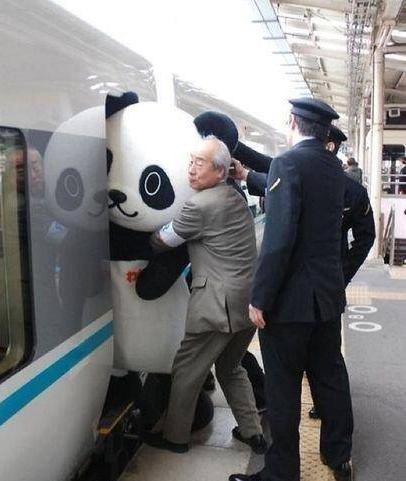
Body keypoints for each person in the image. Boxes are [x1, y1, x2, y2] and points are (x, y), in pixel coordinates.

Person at [230, 98, 353, 481]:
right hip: (326, 300)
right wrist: (248, 175)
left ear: (293, 123)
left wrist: (260, 298)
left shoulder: (288, 163)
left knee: (283, 390)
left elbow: (279, 240)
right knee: (330, 380)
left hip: (289, 306)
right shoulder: (334, 169)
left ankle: (282, 473)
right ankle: (338, 457)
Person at [232, 125, 375, 422]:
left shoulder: (296, 170)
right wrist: (341, 275)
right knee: (328, 371)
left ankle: (285, 452)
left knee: (285, 381)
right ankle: (336, 442)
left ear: (329, 146)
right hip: (327, 291)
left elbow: (279, 244)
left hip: (289, 296)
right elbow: (366, 237)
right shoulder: (348, 187)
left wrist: (260, 298)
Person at [144, 136, 266, 454]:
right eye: (191, 161)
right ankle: (253, 433)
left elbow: (163, 241)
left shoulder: (199, 205)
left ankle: (175, 438)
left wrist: (147, 235)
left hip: (216, 306)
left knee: (187, 369)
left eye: (200, 163)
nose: (191, 169)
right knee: (231, 368)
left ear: (221, 171)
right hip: (247, 303)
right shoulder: (235, 196)